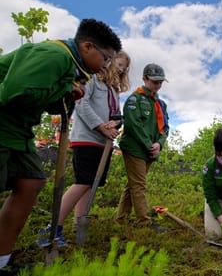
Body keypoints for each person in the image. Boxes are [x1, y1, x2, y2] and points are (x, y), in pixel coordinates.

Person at [0, 18, 121, 269]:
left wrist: (66, 94)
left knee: (31, 181)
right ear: (88, 46)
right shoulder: (55, 55)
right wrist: (65, 88)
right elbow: (15, 93)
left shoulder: (73, 68)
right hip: (3, 123)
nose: (107, 65)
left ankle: (2, 259)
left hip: (18, 130)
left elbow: (44, 100)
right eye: (106, 57)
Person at [38, 51, 131, 247]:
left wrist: (114, 125)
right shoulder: (92, 81)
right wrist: (100, 126)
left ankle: (78, 228)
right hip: (86, 138)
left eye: (124, 67)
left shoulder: (113, 91)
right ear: (108, 63)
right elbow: (81, 105)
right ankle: (52, 228)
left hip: (103, 143)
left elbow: (116, 115)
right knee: (82, 182)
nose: (121, 69)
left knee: (90, 185)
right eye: (119, 64)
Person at [115, 63, 169, 232]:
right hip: (135, 147)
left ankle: (121, 218)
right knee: (139, 185)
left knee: (133, 184)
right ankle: (144, 222)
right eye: (154, 81)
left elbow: (165, 127)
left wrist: (159, 144)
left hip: (151, 149)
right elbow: (133, 124)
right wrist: (148, 145)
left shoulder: (161, 104)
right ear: (144, 79)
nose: (158, 85)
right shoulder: (134, 99)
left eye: (160, 82)